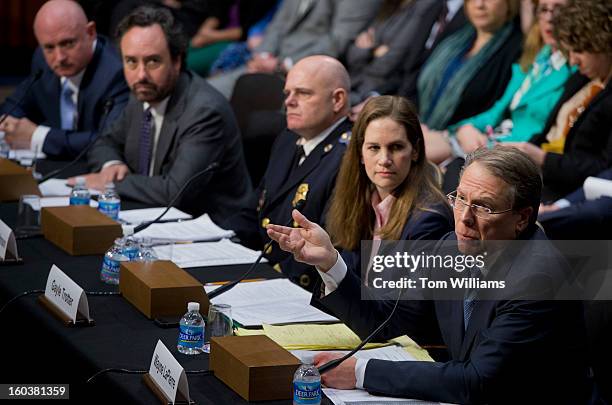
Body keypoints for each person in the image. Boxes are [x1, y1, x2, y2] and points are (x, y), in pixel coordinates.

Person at [267, 146, 592, 404]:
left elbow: (478, 382)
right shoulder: (454, 247)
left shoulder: (540, 279)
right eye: (460, 199)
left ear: (521, 218)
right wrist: (330, 262)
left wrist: (361, 372)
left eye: (483, 206)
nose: (464, 217)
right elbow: (388, 320)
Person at [71, 6, 252, 222]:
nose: (141, 74)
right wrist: (112, 166)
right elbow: (104, 143)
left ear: (177, 61)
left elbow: (175, 191)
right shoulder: (142, 93)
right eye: (131, 61)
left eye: (153, 61)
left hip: (214, 230)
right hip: (156, 216)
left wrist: (109, 182)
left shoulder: (204, 111)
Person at [226, 55, 352, 291]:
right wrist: (223, 244)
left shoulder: (350, 157)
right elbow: (255, 210)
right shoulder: (287, 139)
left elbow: (329, 247)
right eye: (287, 94)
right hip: (264, 271)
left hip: (303, 288)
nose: (289, 103)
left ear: (337, 100)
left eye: (303, 93)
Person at [326, 95, 453, 286]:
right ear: (360, 153)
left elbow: (404, 312)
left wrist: (329, 265)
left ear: (415, 150)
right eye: (374, 148)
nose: (384, 159)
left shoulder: (429, 219)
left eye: (396, 147)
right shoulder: (360, 201)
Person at [425, 0, 573, 164]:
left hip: (509, 154)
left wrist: (488, 145)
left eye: (559, 9)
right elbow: (497, 111)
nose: (549, 18)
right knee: (411, 143)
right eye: (543, 9)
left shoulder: (575, 70)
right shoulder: (536, 59)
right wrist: (464, 128)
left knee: (412, 157)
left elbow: (537, 132)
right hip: (486, 139)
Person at [507, 0, 612, 199]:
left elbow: (603, 168)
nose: (572, 60)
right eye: (569, 51)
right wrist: (519, 150)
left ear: (603, 44)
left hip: (566, 190)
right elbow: (547, 133)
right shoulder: (582, 79)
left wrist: (544, 159)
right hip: (540, 173)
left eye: (578, 50)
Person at [0, 0, 129, 159]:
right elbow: (15, 105)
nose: (59, 57)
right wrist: (8, 125)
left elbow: (108, 141)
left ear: (90, 32)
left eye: (67, 43)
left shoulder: (116, 72)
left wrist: (38, 136)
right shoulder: (41, 60)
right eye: (49, 48)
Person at [207, 0, 382, 98]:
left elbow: (338, 41)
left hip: (309, 79)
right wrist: (262, 55)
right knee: (207, 91)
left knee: (214, 99)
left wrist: (284, 65)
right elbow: (278, 24)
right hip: (266, 65)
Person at [417, 0, 523, 133]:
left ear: (510, 4)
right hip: (423, 128)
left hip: (463, 142)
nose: (479, 5)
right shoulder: (455, 38)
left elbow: (497, 111)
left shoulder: (517, 51)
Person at [349, 0, 467, 118]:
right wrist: (376, 97)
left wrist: (390, 106)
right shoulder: (436, 7)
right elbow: (407, 69)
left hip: (420, 111)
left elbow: (388, 65)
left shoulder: (427, 8)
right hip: (381, 92)